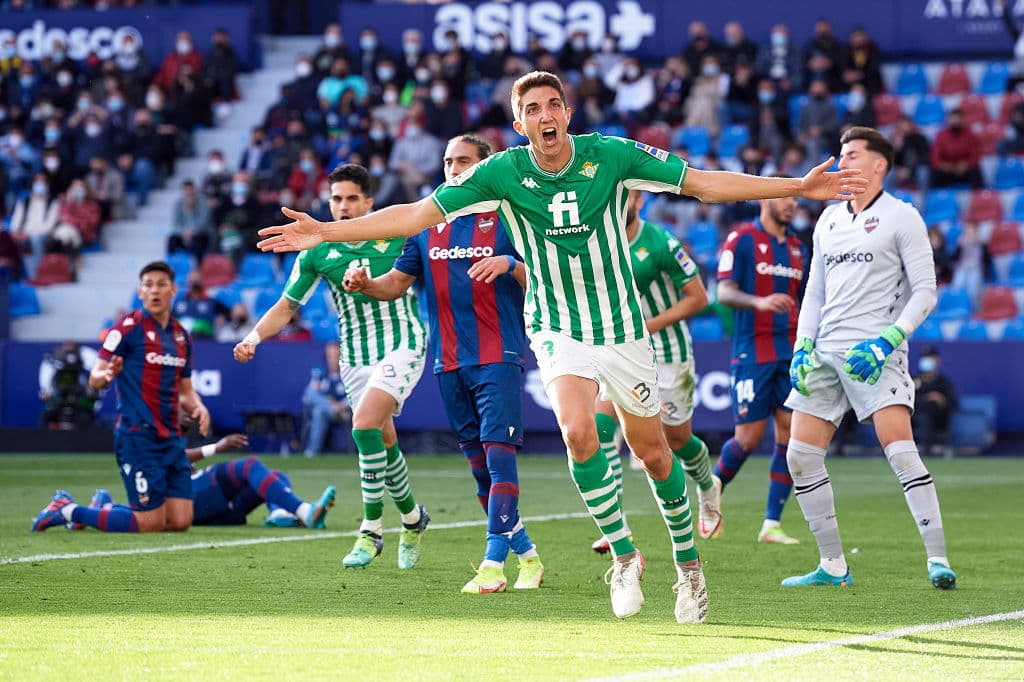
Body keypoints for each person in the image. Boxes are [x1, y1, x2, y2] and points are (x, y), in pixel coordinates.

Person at [255, 70, 867, 623]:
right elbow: (417, 215)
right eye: (532, 109)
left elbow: (702, 183)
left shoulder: (612, 156)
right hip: (555, 326)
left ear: (567, 114)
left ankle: (688, 568)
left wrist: (797, 185)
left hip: (623, 328)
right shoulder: (500, 174)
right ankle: (624, 557)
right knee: (578, 433)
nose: (544, 116)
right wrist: (327, 230)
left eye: (553, 105)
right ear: (518, 123)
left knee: (655, 456)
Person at [343, 133, 544, 594]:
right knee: (479, 472)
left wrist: (510, 265)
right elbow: (396, 283)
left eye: (464, 162)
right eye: (449, 161)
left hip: (498, 356)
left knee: (499, 460)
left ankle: (493, 564)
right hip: (448, 362)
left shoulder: (511, 217)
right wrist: (365, 283)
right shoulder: (426, 223)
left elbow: (547, 279)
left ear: (485, 167)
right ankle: (528, 557)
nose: (453, 170)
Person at [784, 126, 956, 590]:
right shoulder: (828, 220)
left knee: (899, 450)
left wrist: (887, 341)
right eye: (841, 155)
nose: (843, 162)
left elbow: (926, 291)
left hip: (874, 351)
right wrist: (802, 346)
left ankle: (937, 559)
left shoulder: (903, 216)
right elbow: (814, 292)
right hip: (825, 352)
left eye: (853, 155)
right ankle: (832, 566)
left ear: (879, 165)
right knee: (800, 457)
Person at [235, 164, 430, 571]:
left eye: (352, 198)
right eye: (337, 199)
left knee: (363, 426)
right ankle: (413, 518)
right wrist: (253, 337)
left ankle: (371, 531)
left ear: (368, 202)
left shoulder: (396, 232)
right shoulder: (317, 250)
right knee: (382, 439)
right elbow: (286, 306)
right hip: (355, 357)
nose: (343, 206)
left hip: (403, 342)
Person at [31, 262, 212, 534]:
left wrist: (199, 407)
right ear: (140, 292)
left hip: (171, 437)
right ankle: (66, 509)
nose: (154, 290)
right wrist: (107, 375)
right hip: (138, 434)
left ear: (173, 290)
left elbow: (186, 390)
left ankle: (104, 508)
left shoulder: (180, 336)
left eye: (161, 284)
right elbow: (95, 376)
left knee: (180, 521)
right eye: (148, 285)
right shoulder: (128, 328)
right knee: (151, 523)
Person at [590, 189, 721, 554]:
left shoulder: (660, 242)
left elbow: (699, 297)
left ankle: (708, 486)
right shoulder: (596, 240)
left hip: (667, 352)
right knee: (602, 427)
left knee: (676, 440)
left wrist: (648, 326)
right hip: (619, 349)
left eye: (627, 197)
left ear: (639, 202)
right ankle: (617, 525)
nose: (618, 203)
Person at [714, 190, 808, 546]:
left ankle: (771, 524)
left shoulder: (798, 248)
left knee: (790, 435)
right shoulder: (741, 239)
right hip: (753, 350)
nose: (791, 204)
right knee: (748, 438)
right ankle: (711, 492)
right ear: (766, 199)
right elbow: (723, 293)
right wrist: (760, 302)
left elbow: (804, 299)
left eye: (794, 200)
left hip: (790, 351)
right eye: (784, 198)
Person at [58, 432, 335, 531]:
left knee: (274, 476)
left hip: (220, 511)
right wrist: (216, 447)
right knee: (250, 465)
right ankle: (303, 511)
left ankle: (280, 514)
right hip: (192, 495)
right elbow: (172, 456)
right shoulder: (147, 422)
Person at [302, 343, 351, 457]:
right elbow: (309, 395)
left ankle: (311, 451)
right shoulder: (320, 373)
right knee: (317, 408)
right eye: (330, 356)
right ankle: (312, 452)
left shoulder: (348, 373)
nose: (333, 360)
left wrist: (342, 405)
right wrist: (331, 405)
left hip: (345, 412)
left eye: (336, 356)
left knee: (318, 410)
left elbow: (354, 395)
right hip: (329, 411)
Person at [912, 347, 957, 457]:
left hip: (938, 420)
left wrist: (941, 399)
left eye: (930, 357)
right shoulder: (913, 380)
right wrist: (925, 399)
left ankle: (930, 447)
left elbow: (954, 403)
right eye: (925, 357)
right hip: (913, 418)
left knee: (930, 409)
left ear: (937, 360)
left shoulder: (943, 382)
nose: (927, 360)